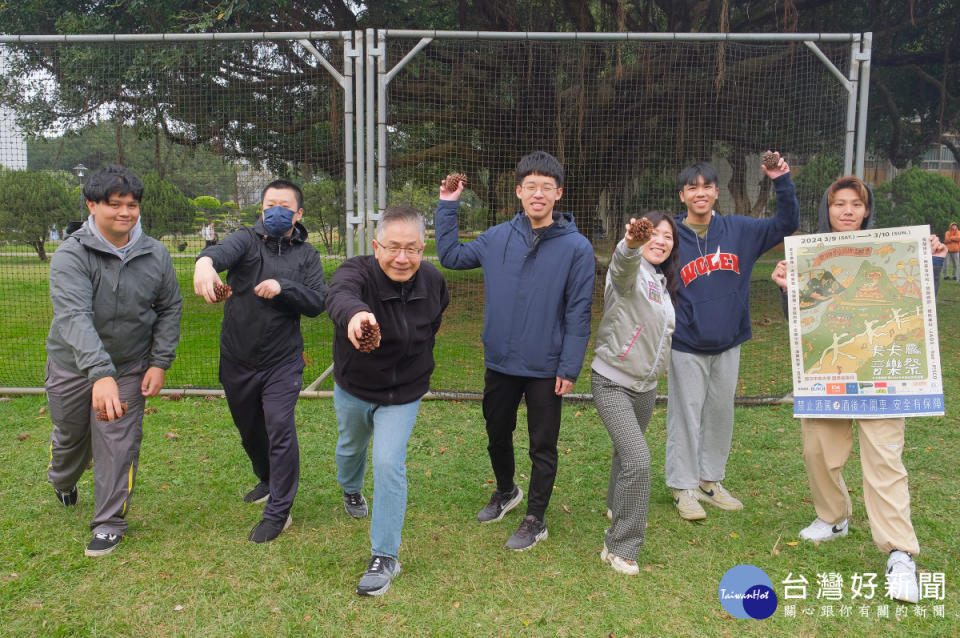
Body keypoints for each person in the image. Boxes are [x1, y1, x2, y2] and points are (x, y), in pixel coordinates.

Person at [771, 174, 938, 604]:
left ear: (867, 210)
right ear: (827, 210)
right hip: (828, 372)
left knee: (884, 459)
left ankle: (900, 553)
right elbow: (803, 319)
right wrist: (788, 288)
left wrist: (929, 262)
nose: (847, 211)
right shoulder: (813, 257)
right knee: (818, 450)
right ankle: (833, 517)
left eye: (855, 204)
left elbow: (916, 303)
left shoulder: (892, 250)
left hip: (884, 376)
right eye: (838, 204)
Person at [435, 151, 595, 551]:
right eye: (530, 186)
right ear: (519, 191)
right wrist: (447, 206)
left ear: (558, 193)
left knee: (543, 444)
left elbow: (578, 312)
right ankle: (506, 491)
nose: (538, 194)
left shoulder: (577, 248)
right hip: (501, 362)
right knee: (496, 432)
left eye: (547, 187)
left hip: (546, 367)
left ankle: (535, 518)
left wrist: (570, 365)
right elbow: (451, 256)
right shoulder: (496, 238)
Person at [45, 165, 182, 557]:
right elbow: (74, 316)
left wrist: (159, 362)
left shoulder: (155, 253)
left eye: (132, 205)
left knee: (118, 443)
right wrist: (98, 373)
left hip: (128, 365)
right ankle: (63, 478)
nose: (125, 212)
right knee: (72, 439)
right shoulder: (71, 254)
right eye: (115, 204)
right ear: (92, 205)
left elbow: (170, 307)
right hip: (73, 366)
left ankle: (109, 522)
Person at [193, 179, 327, 543]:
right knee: (251, 430)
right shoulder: (245, 240)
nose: (276, 211)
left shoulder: (308, 255)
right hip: (237, 359)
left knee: (280, 427)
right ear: (262, 209)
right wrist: (204, 264)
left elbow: (318, 302)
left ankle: (279, 511)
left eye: (285, 206)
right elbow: (216, 255)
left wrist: (285, 288)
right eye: (270, 205)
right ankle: (267, 479)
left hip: (282, 361)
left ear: (298, 213)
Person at [326, 205, 449, 596]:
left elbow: (434, 323)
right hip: (355, 386)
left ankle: (385, 555)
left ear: (423, 247)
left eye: (412, 248)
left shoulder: (432, 280)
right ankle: (350, 487)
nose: (402, 257)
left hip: (405, 391)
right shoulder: (355, 272)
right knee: (351, 448)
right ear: (376, 246)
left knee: (387, 461)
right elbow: (339, 296)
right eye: (393, 247)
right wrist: (358, 318)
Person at [666, 156, 798, 521]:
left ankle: (709, 481)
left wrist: (781, 180)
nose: (700, 193)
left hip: (729, 340)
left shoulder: (739, 230)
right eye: (692, 187)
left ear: (716, 191)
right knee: (685, 415)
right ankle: (682, 486)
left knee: (721, 413)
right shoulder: (671, 235)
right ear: (682, 195)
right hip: (686, 341)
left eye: (706, 186)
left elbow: (787, 223)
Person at [592, 212, 678, 575]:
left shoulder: (660, 279)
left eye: (668, 237)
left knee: (626, 453)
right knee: (639, 460)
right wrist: (629, 243)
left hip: (646, 387)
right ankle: (620, 547)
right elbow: (623, 264)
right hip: (612, 380)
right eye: (653, 234)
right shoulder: (628, 274)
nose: (660, 241)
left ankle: (617, 504)